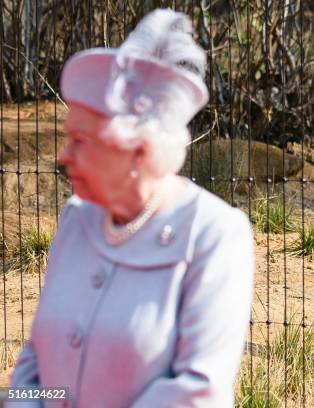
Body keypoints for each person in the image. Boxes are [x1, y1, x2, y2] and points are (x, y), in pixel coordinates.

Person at [6, 8, 255, 408]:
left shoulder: (213, 234)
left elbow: (198, 391)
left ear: (137, 149)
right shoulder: (76, 219)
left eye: (80, 140)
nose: (63, 156)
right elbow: (35, 360)